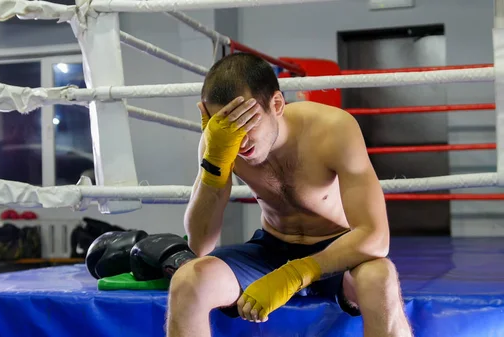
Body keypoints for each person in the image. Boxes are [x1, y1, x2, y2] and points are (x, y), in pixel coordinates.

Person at [166, 53, 413, 337]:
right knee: (187, 281)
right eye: (227, 126)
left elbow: (375, 236)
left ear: (277, 104)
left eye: (248, 121)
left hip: (338, 251)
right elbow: (199, 243)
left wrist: (296, 274)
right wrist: (214, 165)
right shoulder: (220, 145)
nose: (240, 139)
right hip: (271, 250)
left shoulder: (333, 129)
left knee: (379, 277)